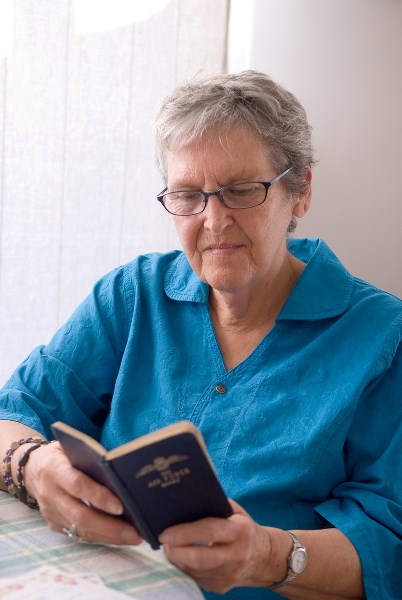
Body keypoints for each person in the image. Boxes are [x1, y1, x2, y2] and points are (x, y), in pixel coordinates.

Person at [0, 71, 401, 600]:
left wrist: (265, 556)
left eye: (240, 190)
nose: (213, 221)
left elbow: (387, 545)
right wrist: (31, 464)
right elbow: (15, 410)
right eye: (188, 195)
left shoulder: (382, 336)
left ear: (299, 192)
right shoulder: (133, 295)